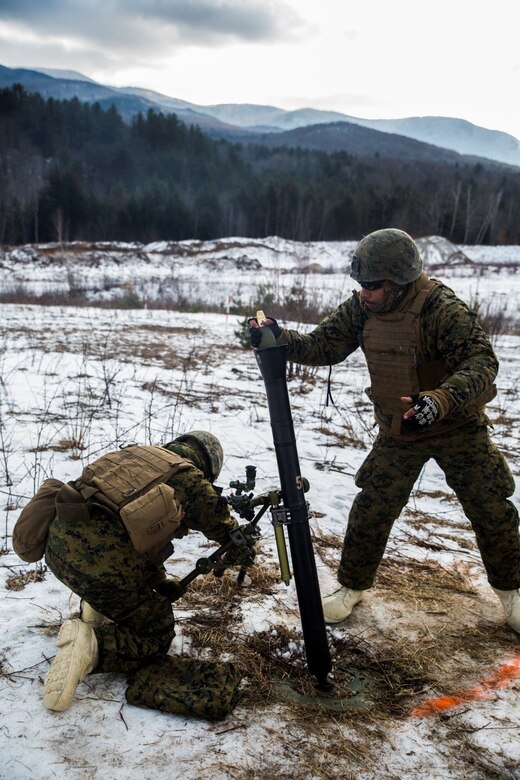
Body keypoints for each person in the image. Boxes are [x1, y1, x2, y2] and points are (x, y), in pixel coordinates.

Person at [249, 228, 520, 632]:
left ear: (399, 282)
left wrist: (441, 399)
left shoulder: (442, 308)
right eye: (360, 285)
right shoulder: (364, 308)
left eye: (372, 286)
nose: (363, 293)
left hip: (457, 427)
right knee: (372, 507)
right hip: (400, 430)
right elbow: (325, 345)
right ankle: (351, 587)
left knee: (490, 508)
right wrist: (280, 339)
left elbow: (482, 362)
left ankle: (512, 591)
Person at [36, 431, 251, 712]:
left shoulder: (134, 456)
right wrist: (239, 543)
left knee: (108, 558)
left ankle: (95, 608)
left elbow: (130, 528)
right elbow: (223, 526)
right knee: (157, 633)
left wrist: (158, 581)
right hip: (102, 573)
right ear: (209, 467)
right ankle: (91, 645)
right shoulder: (190, 478)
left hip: (56, 554)